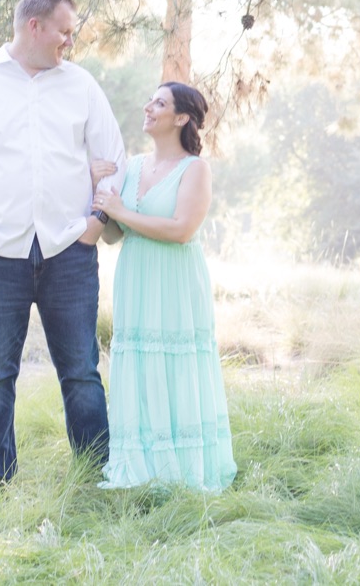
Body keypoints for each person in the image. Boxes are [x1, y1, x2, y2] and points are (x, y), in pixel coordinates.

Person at [0, 0, 126, 486]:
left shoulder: (80, 85)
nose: (69, 42)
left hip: (69, 252)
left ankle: (95, 476)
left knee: (81, 371)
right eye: (64, 31)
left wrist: (95, 225)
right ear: (34, 26)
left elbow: (115, 160)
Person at [92, 81, 238, 491]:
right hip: (136, 278)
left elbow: (181, 229)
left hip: (174, 280)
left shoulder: (195, 169)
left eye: (160, 103)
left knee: (175, 367)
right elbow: (115, 235)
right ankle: (141, 467)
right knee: (140, 367)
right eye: (150, 99)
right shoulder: (134, 166)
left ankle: (184, 468)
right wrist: (101, 198)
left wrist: (121, 210)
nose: (148, 106)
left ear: (181, 118)